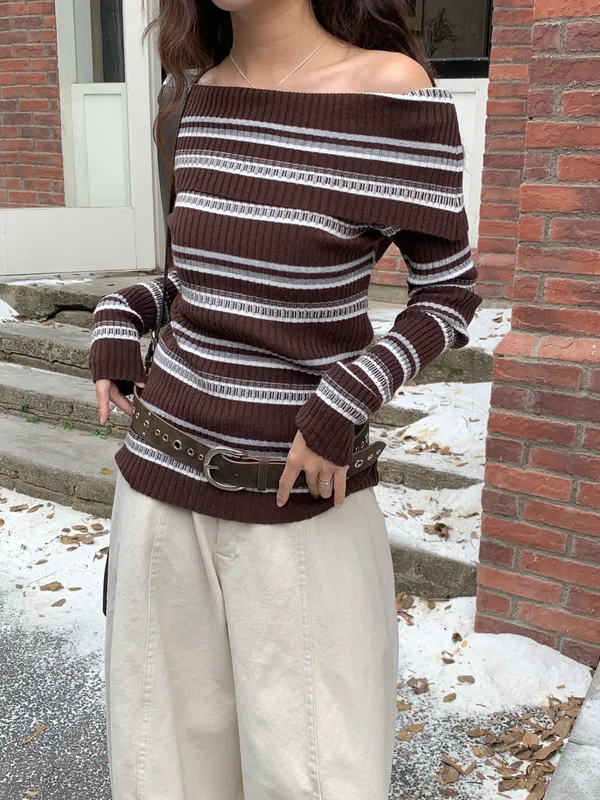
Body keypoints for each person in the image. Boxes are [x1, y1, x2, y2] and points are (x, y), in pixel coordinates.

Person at [90, 0, 481, 797]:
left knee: (316, 772)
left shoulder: (393, 91)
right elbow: (195, 283)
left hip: (299, 501)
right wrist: (120, 312)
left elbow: (448, 293)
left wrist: (349, 396)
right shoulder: (194, 96)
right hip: (160, 489)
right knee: (161, 767)